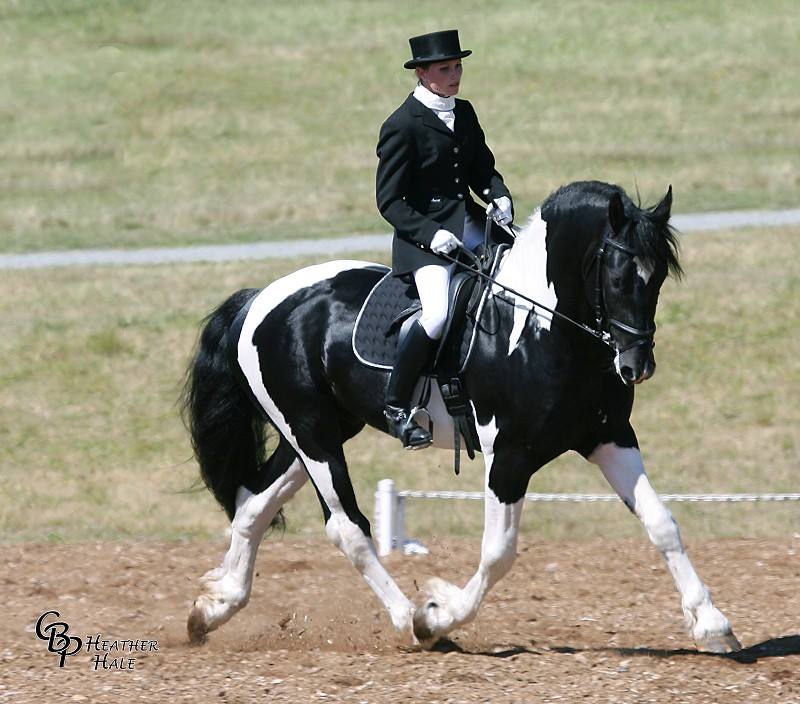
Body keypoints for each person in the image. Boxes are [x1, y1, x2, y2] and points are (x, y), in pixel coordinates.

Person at [376, 29, 514, 450]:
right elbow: (390, 201)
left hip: (470, 223)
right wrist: (431, 234)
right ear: (422, 73)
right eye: (444, 69)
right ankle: (397, 407)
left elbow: (481, 170)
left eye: (457, 67)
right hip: (424, 241)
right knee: (436, 315)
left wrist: (500, 194)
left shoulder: (465, 112)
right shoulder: (401, 125)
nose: (454, 76)